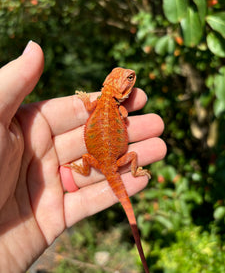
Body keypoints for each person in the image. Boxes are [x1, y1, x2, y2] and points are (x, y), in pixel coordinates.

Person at [0, 41, 167, 272]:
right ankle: (135, 171)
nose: (131, 78)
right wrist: (122, 115)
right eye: (128, 79)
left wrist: (84, 99)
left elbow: (88, 106)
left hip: (97, 162)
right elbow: (125, 115)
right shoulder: (119, 108)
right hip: (115, 161)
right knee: (134, 156)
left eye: (129, 77)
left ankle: (83, 170)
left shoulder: (97, 102)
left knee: (102, 160)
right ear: (117, 88)